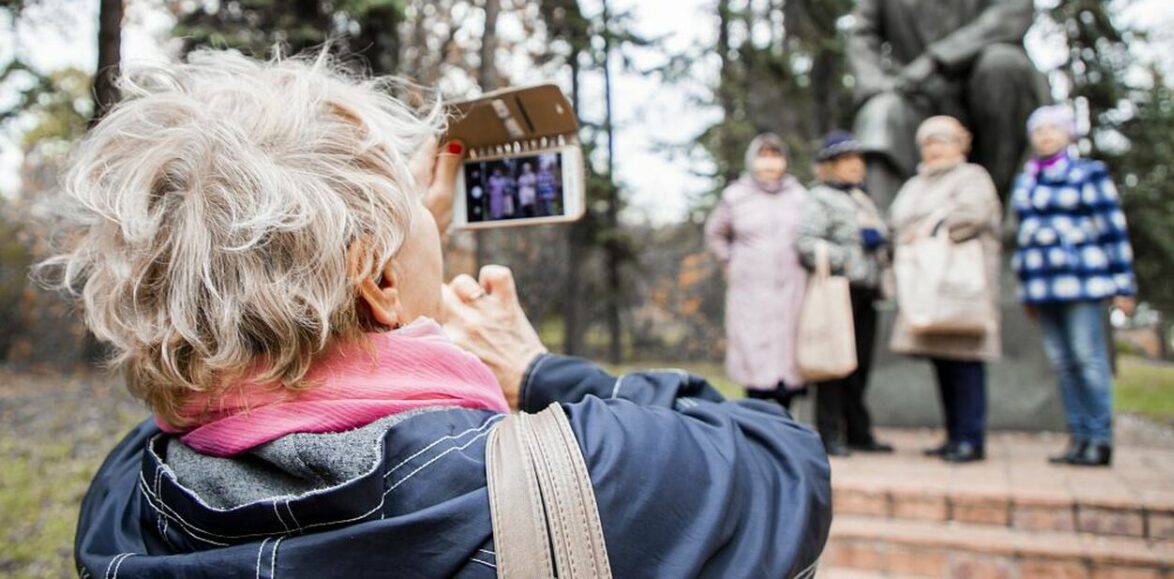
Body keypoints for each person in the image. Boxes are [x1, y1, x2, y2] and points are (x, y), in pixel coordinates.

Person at [52, 49, 832, 577]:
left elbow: (219, 378)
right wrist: (536, 369)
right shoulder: (571, 481)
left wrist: (390, 260)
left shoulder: (125, 500)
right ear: (377, 277)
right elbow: (784, 459)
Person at [848, 0, 1049, 210]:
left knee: (1002, 64)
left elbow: (1008, 16)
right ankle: (886, 228)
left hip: (986, 92)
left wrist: (935, 60)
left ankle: (1003, 208)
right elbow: (863, 33)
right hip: (918, 98)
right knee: (882, 111)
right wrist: (877, 83)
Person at [1013, 105, 1137, 468]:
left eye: (1053, 129)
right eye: (1039, 131)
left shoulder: (1088, 173)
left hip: (1082, 281)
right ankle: (1079, 436)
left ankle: (1100, 438)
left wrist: (1123, 284)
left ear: (1068, 134)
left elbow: (1112, 229)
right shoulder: (1027, 180)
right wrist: (1026, 289)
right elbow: (1025, 238)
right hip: (1043, 286)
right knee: (1063, 364)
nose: (1045, 136)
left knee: (1087, 358)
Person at [888, 116, 1002, 463]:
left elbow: (972, 216)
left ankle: (971, 436)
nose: (935, 149)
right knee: (943, 363)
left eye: (943, 141)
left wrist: (926, 229)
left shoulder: (972, 177)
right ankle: (954, 433)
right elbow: (896, 222)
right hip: (926, 285)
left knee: (965, 362)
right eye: (929, 142)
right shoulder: (915, 185)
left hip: (960, 283)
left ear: (960, 145)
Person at [796, 131, 893, 457]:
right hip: (838, 290)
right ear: (830, 165)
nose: (855, 166)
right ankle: (829, 432)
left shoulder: (862, 198)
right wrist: (847, 258)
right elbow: (806, 243)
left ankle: (858, 430)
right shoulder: (820, 198)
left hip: (867, 291)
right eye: (846, 160)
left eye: (857, 159)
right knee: (834, 363)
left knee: (860, 364)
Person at [704, 133, 809, 409]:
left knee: (790, 354)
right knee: (753, 353)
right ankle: (755, 416)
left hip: (792, 288)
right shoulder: (736, 196)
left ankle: (786, 419)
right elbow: (715, 233)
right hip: (751, 288)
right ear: (752, 160)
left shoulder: (799, 196)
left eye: (775, 156)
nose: (769, 163)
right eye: (763, 156)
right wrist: (729, 261)